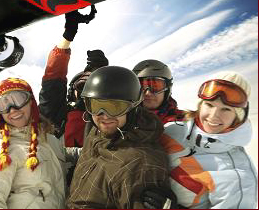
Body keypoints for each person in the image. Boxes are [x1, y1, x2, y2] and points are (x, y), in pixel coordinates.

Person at [66, 66, 175, 209]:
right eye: (95, 105)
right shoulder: (98, 132)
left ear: (133, 107)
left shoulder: (140, 164)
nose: (104, 115)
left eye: (115, 106)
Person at [160, 71, 257, 208]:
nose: (214, 116)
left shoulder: (240, 177)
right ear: (200, 105)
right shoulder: (172, 131)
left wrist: (170, 207)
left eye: (226, 109)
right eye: (209, 105)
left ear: (238, 117)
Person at [0, 78, 66, 209]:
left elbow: (70, 154)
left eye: (18, 99)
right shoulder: (3, 151)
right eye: (3, 104)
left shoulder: (50, 141)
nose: (12, 110)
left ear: (31, 102)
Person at [39, 5, 109, 148]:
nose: (87, 92)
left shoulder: (109, 116)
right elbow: (53, 78)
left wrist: (103, 73)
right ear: (72, 92)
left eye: (94, 87)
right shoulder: (56, 113)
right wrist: (68, 35)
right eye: (82, 86)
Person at [133, 59, 185, 123]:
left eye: (155, 86)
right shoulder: (124, 121)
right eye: (142, 87)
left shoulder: (184, 120)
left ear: (167, 90)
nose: (148, 93)